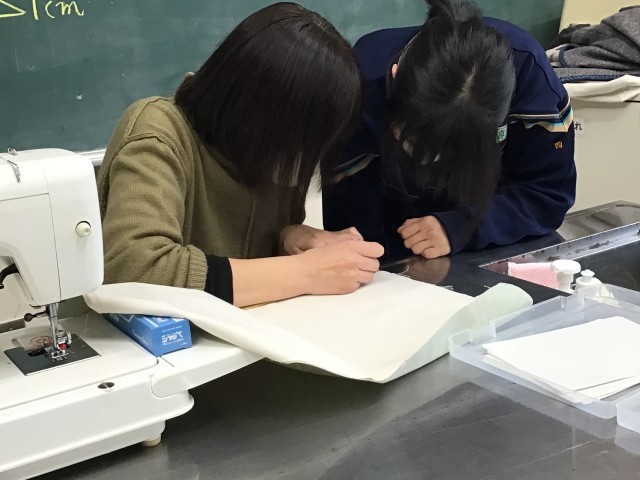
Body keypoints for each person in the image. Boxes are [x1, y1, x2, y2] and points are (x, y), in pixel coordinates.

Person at [97, 3, 384, 308]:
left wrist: (287, 238)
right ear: (256, 111)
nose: (308, 160)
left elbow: (249, 272)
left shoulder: (264, 151)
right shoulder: (158, 131)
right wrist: (305, 272)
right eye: (305, 142)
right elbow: (136, 267)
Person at [323, 0, 577, 263]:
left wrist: (462, 226)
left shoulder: (529, 76)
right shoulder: (358, 85)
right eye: (418, 142)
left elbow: (547, 194)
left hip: (488, 237)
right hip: (393, 239)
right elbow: (346, 212)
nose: (434, 160)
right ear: (396, 77)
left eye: (457, 148)